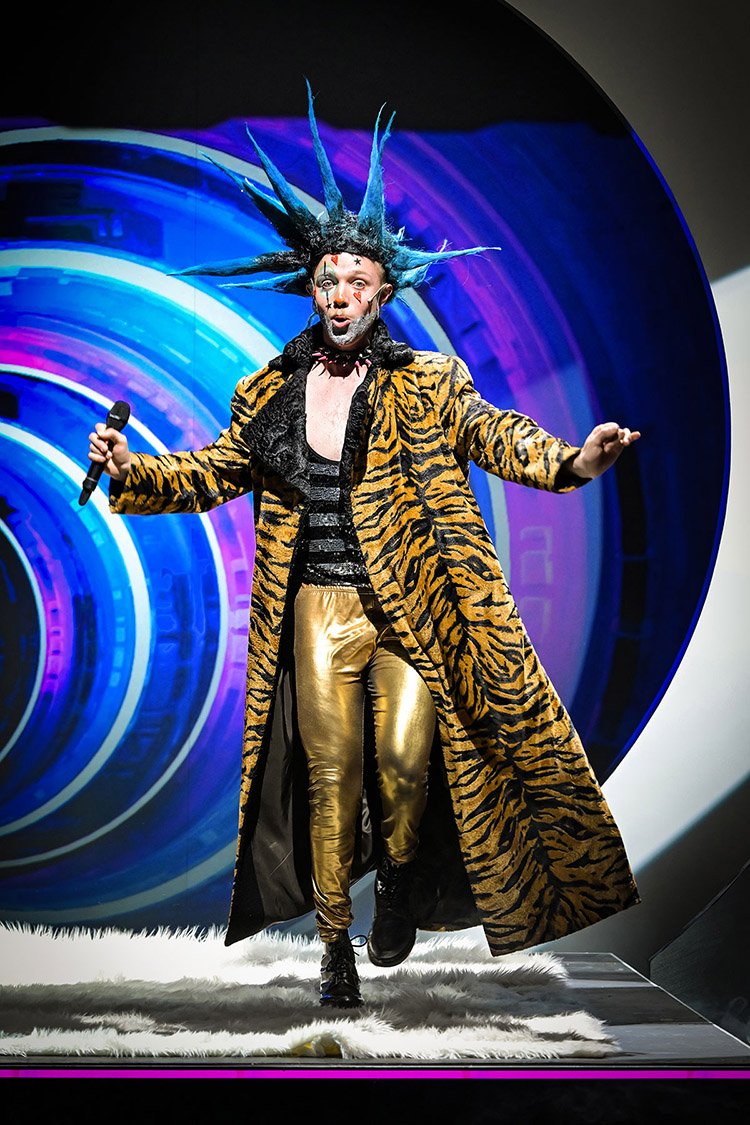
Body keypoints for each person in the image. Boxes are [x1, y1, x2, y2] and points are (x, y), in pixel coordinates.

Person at [88, 88, 640, 1009]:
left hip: (409, 610)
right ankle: (334, 944)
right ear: (312, 290)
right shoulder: (267, 391)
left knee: (405, 763)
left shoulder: (430, 382)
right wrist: (127, 470)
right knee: (330, 776)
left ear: (382, 292)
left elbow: (497, 434)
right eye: (327, 280)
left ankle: (400, 882)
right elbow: (211, 471)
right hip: (318, 606)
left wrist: (574, 460)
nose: (340, 293)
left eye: (356, 280)